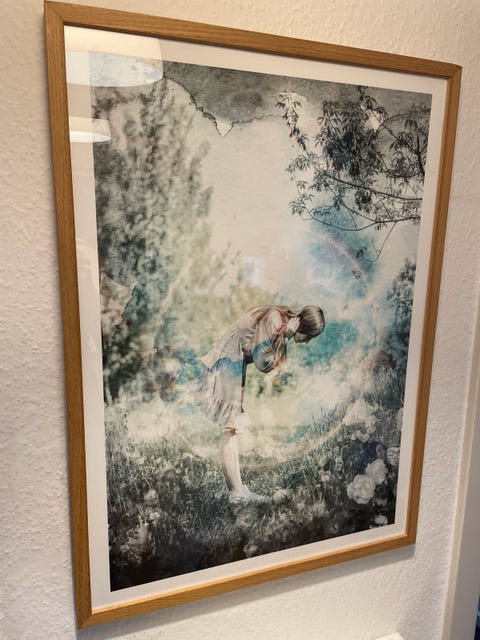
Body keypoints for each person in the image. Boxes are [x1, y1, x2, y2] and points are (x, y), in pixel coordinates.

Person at [197, 304, 325, 503]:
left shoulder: (280, 319)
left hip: (231, 359)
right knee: (230, 429)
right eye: (309, 336)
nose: (307, 341)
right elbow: (262, 362)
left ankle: (237, 489)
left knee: (232, 428)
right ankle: (236, 493)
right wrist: (287, 336)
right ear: (303, 326)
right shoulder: (275, 319)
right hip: (227, 360)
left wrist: (286, 336)